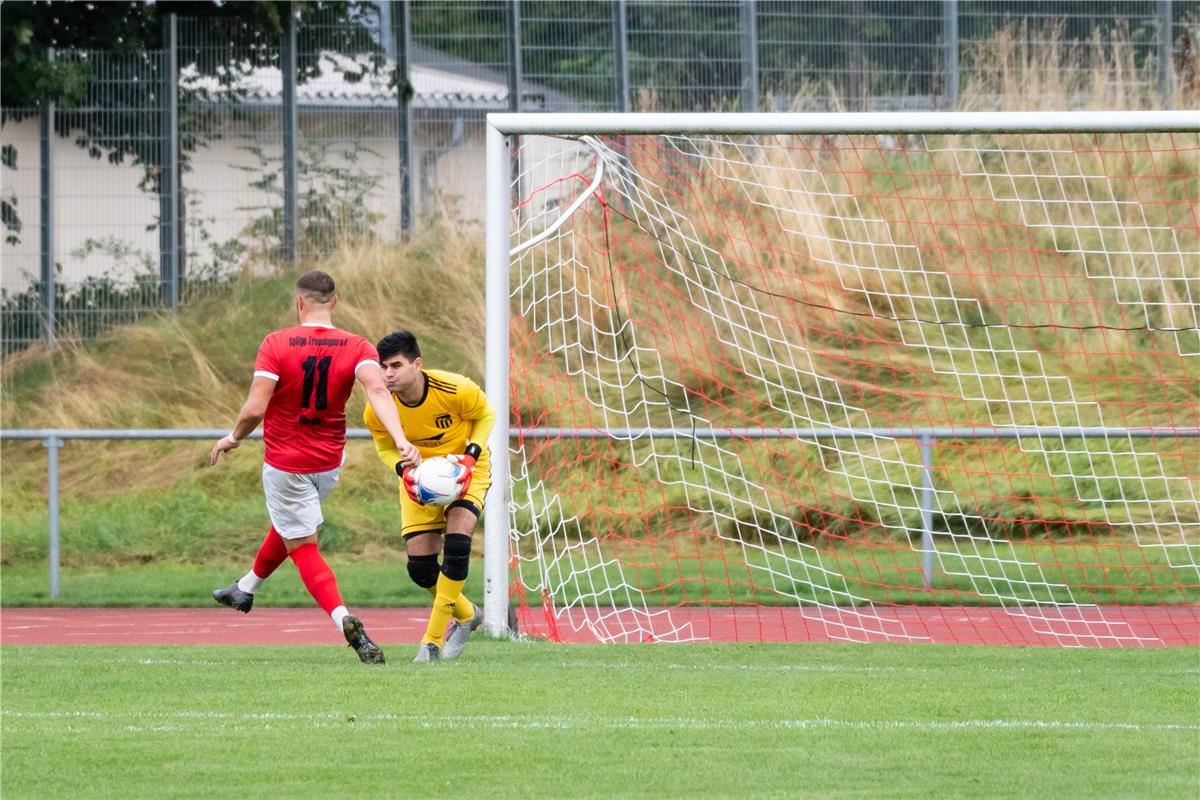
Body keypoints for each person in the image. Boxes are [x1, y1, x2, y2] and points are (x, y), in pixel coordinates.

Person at [209, 271, 420, 665]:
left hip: (287, 462)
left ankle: (344, 619)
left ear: (299, 303)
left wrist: (234, 437)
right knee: (292, 524)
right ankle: (245, 588)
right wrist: (401, 439)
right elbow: (376, 390)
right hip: (328, 462)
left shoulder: (276, 343)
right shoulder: (356, 346)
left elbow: (255, 408)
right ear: (334, 303)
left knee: (302, 543)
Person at [364, 330, 494, 663]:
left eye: (396, 365)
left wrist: (471, 456)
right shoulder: (377, 406)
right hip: (419, 482)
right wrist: (403, 471)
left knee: (457, 546)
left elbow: (485, 415)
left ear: (417, 364)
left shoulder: (455, 388)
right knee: (421, 569)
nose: (388, 374)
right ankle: (467, 614)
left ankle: (432, 641)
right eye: (383, 367)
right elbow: (383, 446)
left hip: (465, 471)